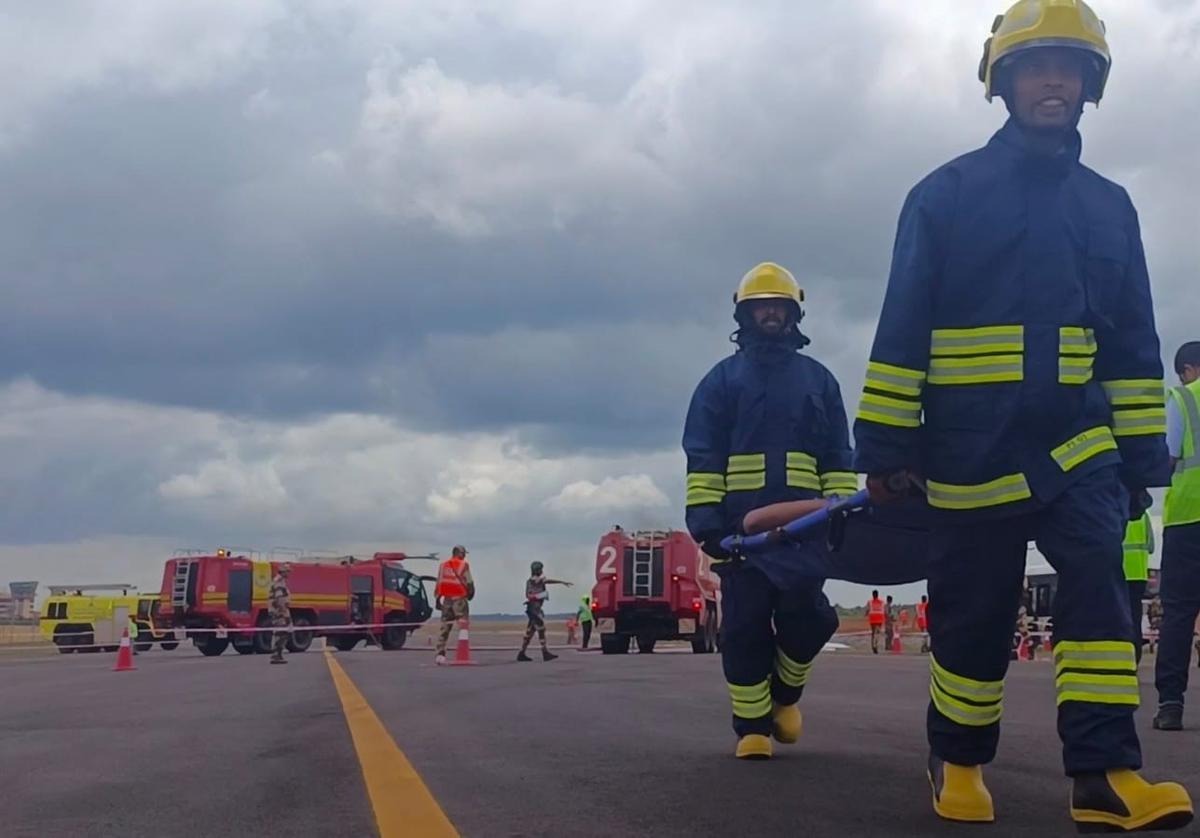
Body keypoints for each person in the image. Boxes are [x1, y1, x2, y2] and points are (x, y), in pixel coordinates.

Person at [853, 1, 1191, 828]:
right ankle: (960, 761)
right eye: (1036, 66)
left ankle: (1104, 774)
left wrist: (1143, 451)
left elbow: (1132, 335)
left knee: (1103, 601)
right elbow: (904, 324)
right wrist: (890, 444)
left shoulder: (1111, 206)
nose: (1053, 81)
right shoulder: (946, 194)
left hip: (1079, 445)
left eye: (1069, 69)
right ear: (1002, 82)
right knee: (975, 612)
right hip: (969, 448)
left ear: (1090, 87)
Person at [683, 262, 847, 760]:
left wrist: (841, 511)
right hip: (741, 535)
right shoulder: (720, 382)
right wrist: (707, 523)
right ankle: (752, 728)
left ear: (794, 312)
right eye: (761, 306)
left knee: (810, 618)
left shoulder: (820, 380)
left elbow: (839, 455)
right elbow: (704, 456)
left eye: (778, 305)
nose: (770, 313)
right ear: (744, 314)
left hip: (805, 532)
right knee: (744, 628)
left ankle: (785, 696)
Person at [1153, 341, 1200, 730]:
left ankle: (1170, 704)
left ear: (1188, 369)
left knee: (1179, 615)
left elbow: (1167, 456)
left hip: (1187, 519)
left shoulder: (1183, 398)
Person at [517, 561, 572, 662]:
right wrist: (561, 582)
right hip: (535, 610)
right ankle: (544, 652)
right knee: (541, 630)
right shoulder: (536, 581)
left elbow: (528, 594)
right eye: (540, 569)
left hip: (534, 610)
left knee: (530, 632)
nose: (542, 571)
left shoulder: (530, 582)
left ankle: (522, 653)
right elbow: (531, 594)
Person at [434, 546, 475, 666]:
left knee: (445, 627)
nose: (465, 555)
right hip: (459, 599)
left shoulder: (443, 565)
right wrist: (471, 594)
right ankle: (462, 652)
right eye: (464, 553)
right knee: (463, 625)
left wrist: (437, 600)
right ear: (458, 553)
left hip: (447, 600)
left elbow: (439, 582)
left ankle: (440, 654)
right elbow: (469, 582)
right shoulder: (463, 565)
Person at [1123, 510, 1154, 663]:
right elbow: (1151, 546)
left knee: (1117, 617)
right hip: (1139, 574)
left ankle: (1121, 655)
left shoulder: (1114, 509)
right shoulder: (1144, 515)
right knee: (1135, 618)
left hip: (1118, 573)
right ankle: (1135, 656)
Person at [269, 563, 292, 665]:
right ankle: (276, 655)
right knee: (281, 632)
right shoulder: (279, 581)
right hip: (279, 611)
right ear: (283, 571)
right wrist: (283, 611)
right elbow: (279, 598)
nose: (289, 573)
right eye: (288, 571)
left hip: (279, 610)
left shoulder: (280, 581)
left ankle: (278, 654)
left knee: (283, 631)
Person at [867, 590, 885, 655]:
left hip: (873, 618)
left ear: (873, 595)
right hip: (879, 618)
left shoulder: (870, 602)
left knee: (873, 633)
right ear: (877, 594)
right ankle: (875, 645)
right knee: (877, 633)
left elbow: (868, 609)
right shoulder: (882, 602)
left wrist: (866, 614)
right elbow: (883, 609)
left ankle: (873, 646)